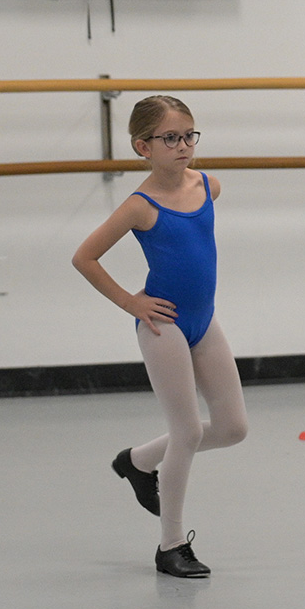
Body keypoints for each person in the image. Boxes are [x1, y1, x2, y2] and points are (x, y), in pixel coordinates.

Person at [73, 95, 248, 578]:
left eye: (189, 134)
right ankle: (171, 545)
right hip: (162, 325)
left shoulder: (207, 186)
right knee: (188, 432)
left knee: (233, 428)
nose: (183, 145)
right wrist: (131, 302)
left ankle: (136, 461)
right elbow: (84, 257)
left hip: (203, 322)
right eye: (170, 137)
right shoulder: (139, 207)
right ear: (142, 147)